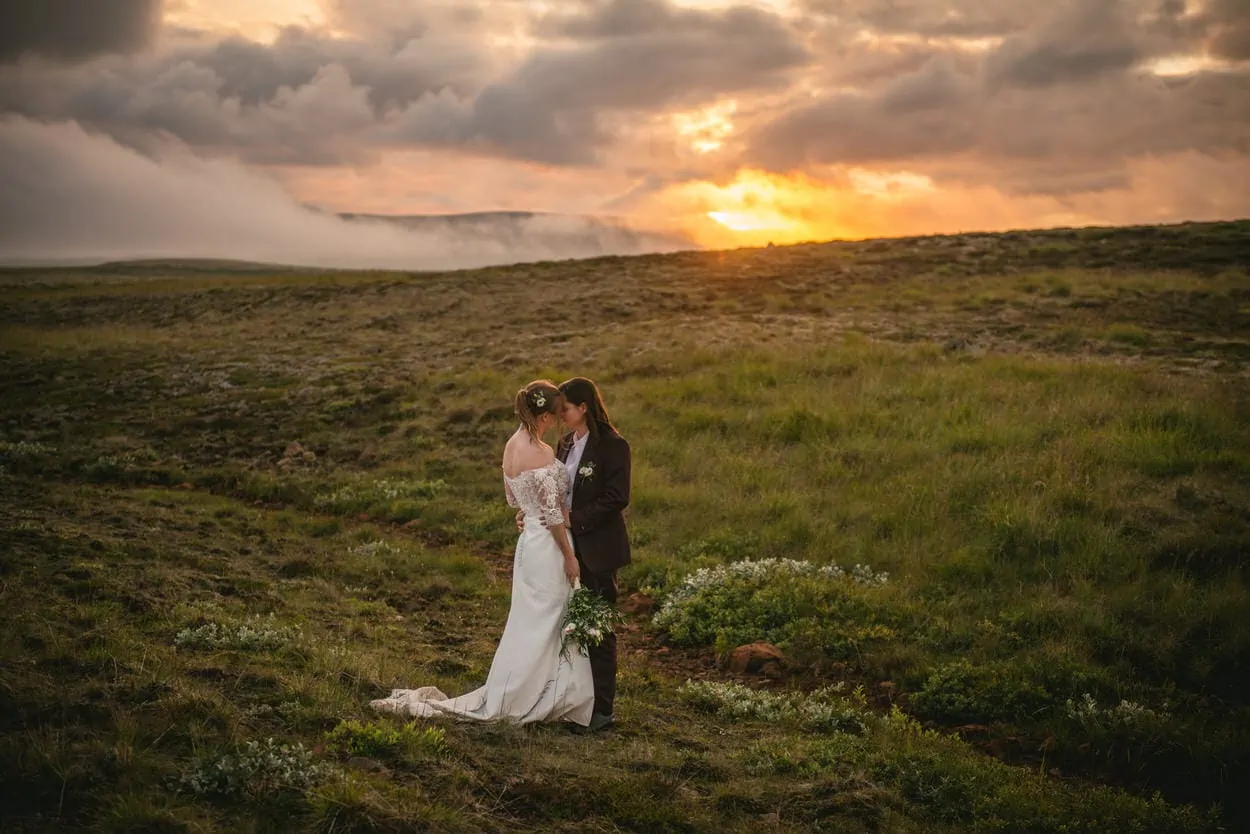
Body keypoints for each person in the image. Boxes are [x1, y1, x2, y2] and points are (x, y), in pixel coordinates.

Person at [369, 380, 594, 726]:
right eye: (553, 415)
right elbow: (551, 514)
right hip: (549, 545)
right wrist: (568, 554)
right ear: (543, 415)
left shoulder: (511, 446)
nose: (556, 422)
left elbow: (513, 500)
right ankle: (544, 695)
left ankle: (522, 689)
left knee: (528, 621)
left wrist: (526, 514)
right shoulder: (543, 452)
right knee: (549, 620)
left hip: (527, 546)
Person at [555, 377, 631, 732]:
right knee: (568, 624)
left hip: (597, 548)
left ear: (583, 407)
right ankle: (573, 700)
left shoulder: (614, 446)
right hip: (566, 548)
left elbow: (618, 497)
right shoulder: (565, 444)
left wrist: (576, 518)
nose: (560, 414)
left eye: (565, 408)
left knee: (598, 627)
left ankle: (602, 710)